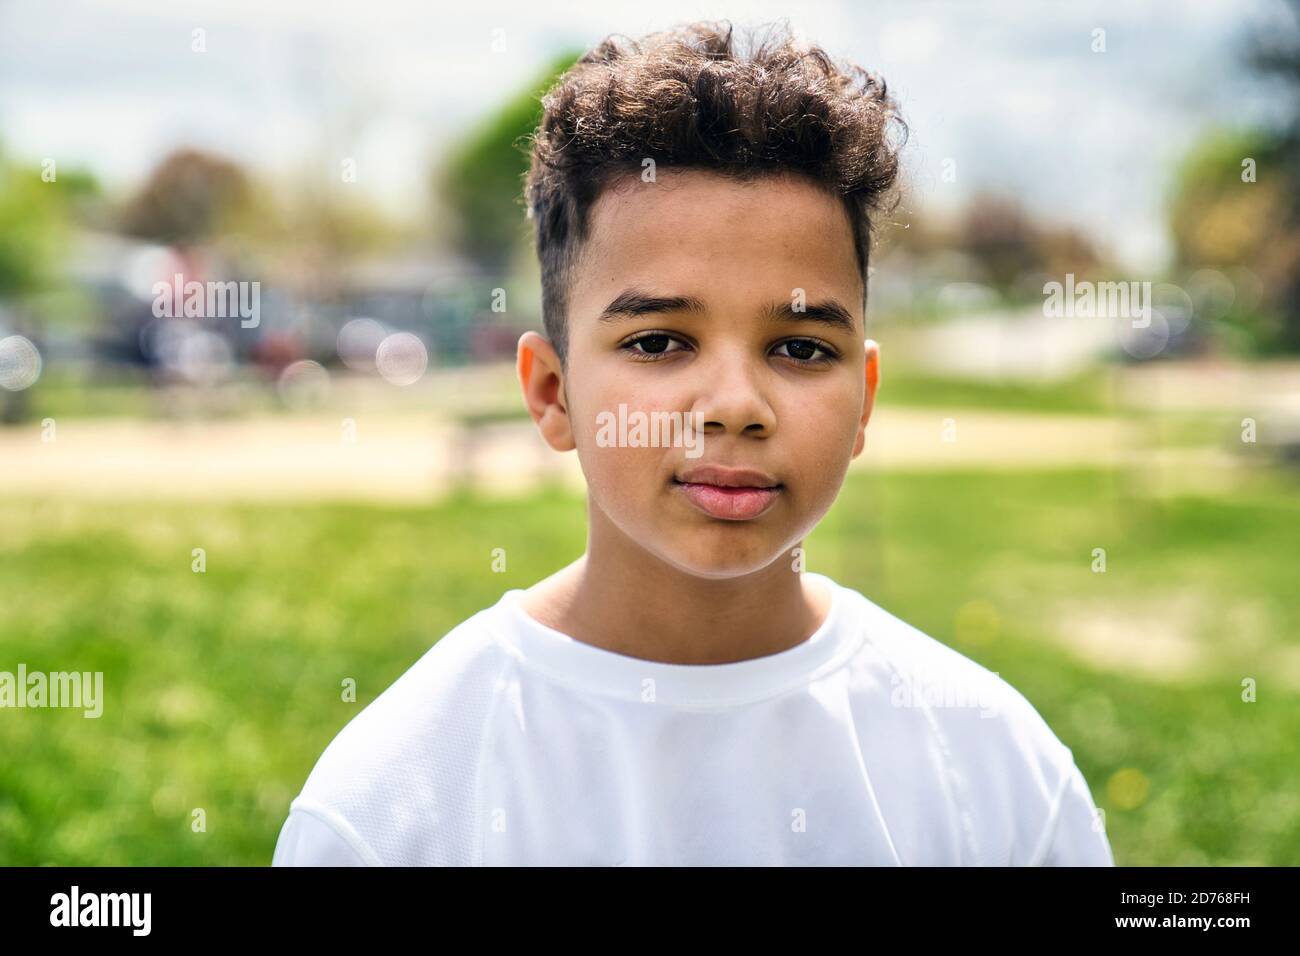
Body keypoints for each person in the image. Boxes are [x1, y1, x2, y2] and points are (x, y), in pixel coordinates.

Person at [273, 19, 1114, 866]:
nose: (736, 407)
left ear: (864, 400)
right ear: (552, 393)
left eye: (800, 348)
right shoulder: (395, 806)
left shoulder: (997, 774)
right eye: (658, 342)